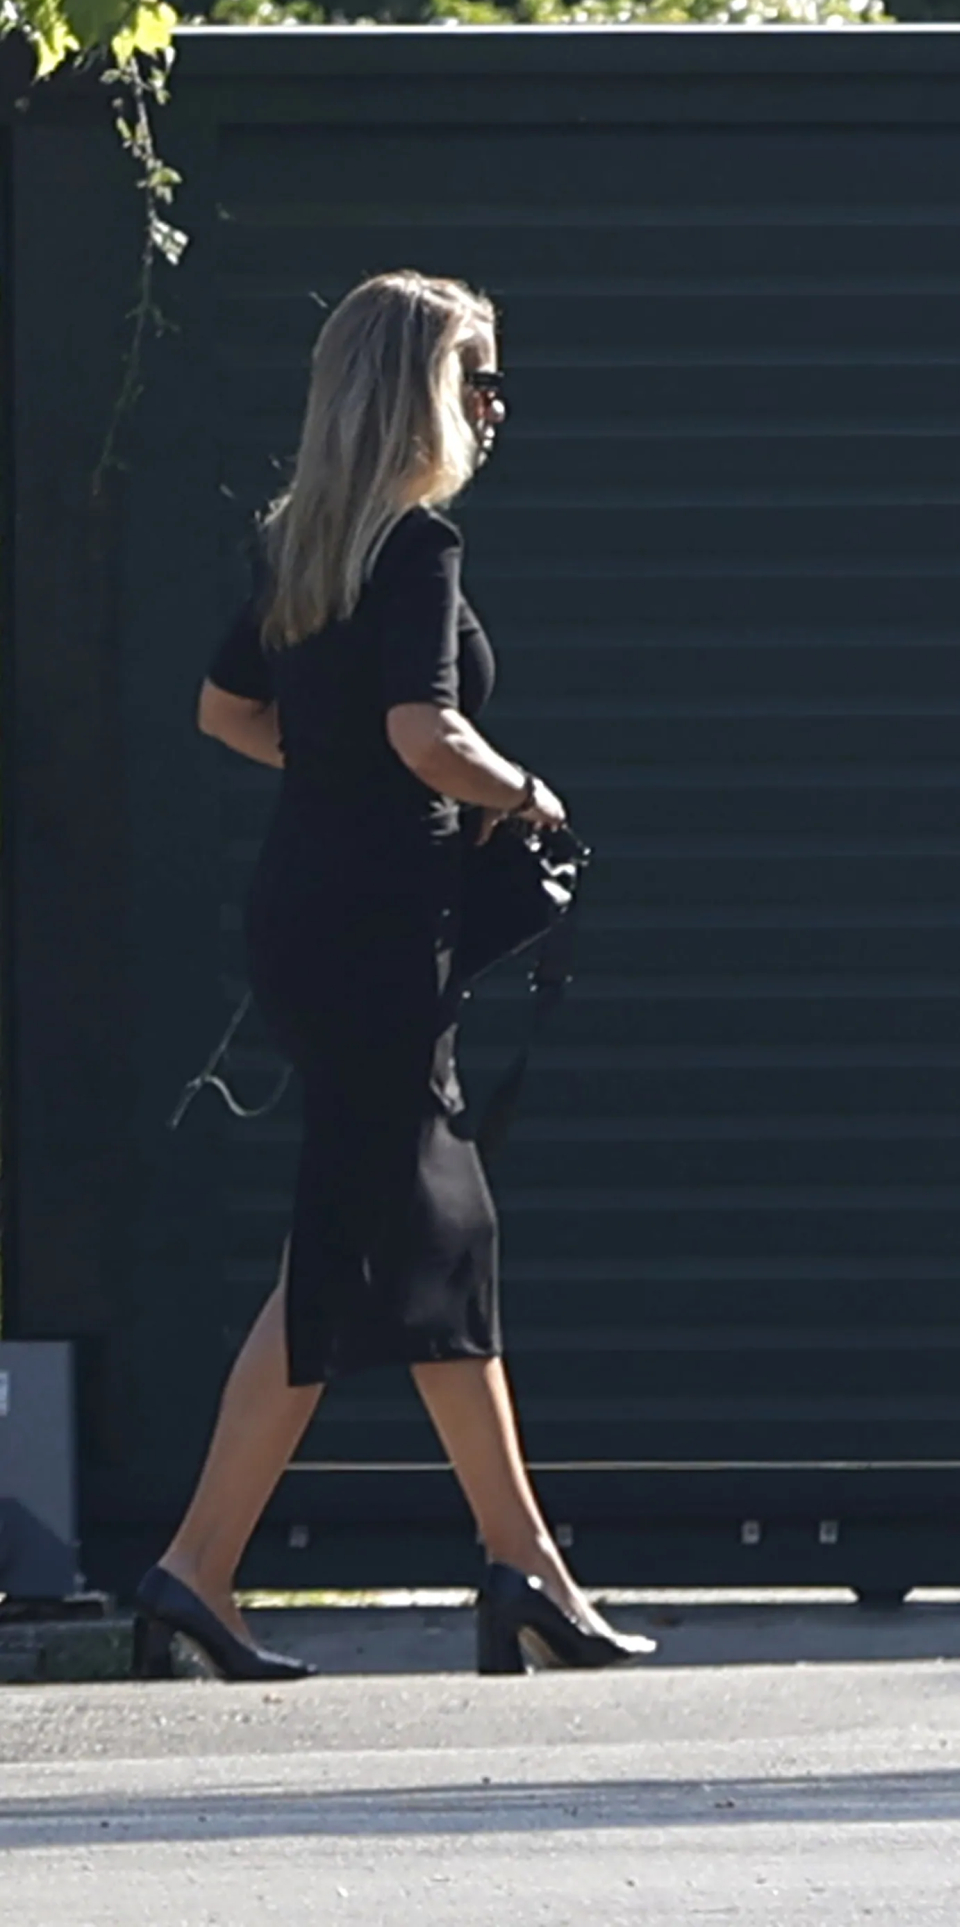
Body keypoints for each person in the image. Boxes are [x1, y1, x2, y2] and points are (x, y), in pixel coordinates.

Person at [134, 272, 654, 1681]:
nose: (495, 407)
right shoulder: (416, 544)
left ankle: (501, 1563)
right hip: (378, 935)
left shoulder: (304, 540)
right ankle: (228, 1571)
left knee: (415, 1233)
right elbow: (427, 732)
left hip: (316, 914)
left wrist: (348, 776)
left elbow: (226, 710)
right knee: (391, 1235)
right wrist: (532, 792)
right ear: (428, 391)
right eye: (480, 380)